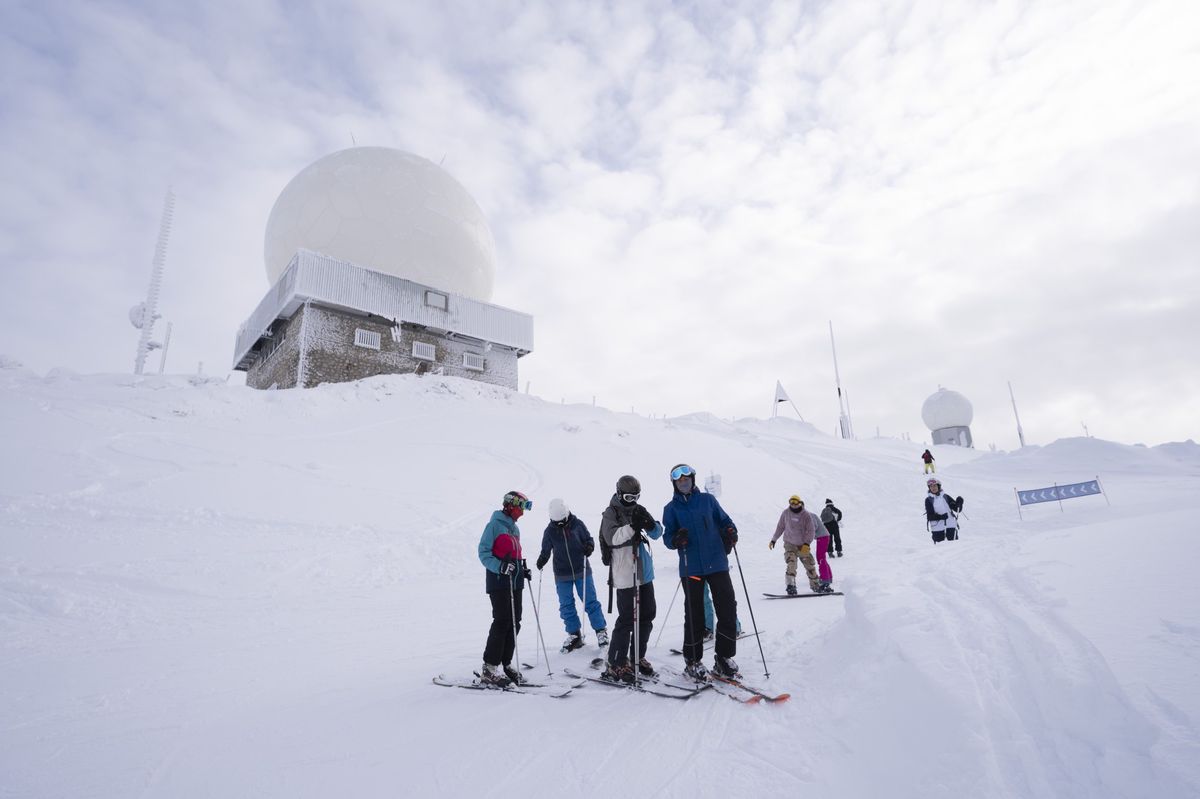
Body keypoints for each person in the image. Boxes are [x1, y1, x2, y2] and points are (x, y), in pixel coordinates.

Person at [662, 463, 741, 681]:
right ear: (675, 483)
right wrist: (676, 539)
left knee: (727, 609)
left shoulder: (708, 500)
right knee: (694, 614)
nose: (683, 482)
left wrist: (731, 531)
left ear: (693, 480)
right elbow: (667, 538)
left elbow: (726, 521)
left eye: (686, 478)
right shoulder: (671, 509)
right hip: (691, 567)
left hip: (717, 563)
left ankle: (723, 658)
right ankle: (693, 661)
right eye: (679, 480)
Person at [598, 475, 663, 683]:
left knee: (647, 614)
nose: (632, 501)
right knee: (627, 619)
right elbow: (612, 538)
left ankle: (637, 656)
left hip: (644, 572)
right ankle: (616, 663)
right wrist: (633, 526)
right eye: (628, 497)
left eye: (636, 497)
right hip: (625, 573)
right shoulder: (611, 513)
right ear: (619, 493)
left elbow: (657, 534)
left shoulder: (637, 509)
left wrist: (651, 523)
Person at [536, 498, 609, 653]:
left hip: (581, 570)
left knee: (590, 601)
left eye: (562, 521)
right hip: (562, 574)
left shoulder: (577, 524)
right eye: (557, 522)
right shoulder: (549, 531)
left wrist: (589, 546)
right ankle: (574, 634)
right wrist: (542, 559)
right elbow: (546, 549)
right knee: (566, 605)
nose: (560, 524)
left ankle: (601, 631)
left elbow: (589, 539)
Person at [477, 490, 533, 687]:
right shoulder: (494, 525)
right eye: (521, 507)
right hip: (499, 582)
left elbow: (513, 556)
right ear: (510, 506)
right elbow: (483, 553)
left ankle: (505, 663)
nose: (523, 513)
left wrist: (522, 570)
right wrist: (499, 566)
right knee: (502, 621)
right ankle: (490, 668)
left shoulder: (514, 529)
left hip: (515, 583)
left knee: (515, 622)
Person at [769, 495, 819, 595]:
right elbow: (780, 527)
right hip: (789, 544)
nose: (793, 504)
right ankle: (790, 586)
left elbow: (811, 530)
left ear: (799, 503)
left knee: (809, 565)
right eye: (791, 502)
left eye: (795, 502)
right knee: (791, 564)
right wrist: (774, 540)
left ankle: (816, 586)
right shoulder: (786, 513)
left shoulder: (805, 515)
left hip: (802, 546)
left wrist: (806, 543)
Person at [925, 477, 964, 544]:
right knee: (941, 551)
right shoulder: (929, 500)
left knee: (954, 547)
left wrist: (959, 503)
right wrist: (941, 517)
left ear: (938, 486)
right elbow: (930, 517)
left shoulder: (945, 497)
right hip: (938, 529)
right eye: (931, 486)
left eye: (935, 485)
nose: (933, 488)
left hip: (951, 526)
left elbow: (957, 509)